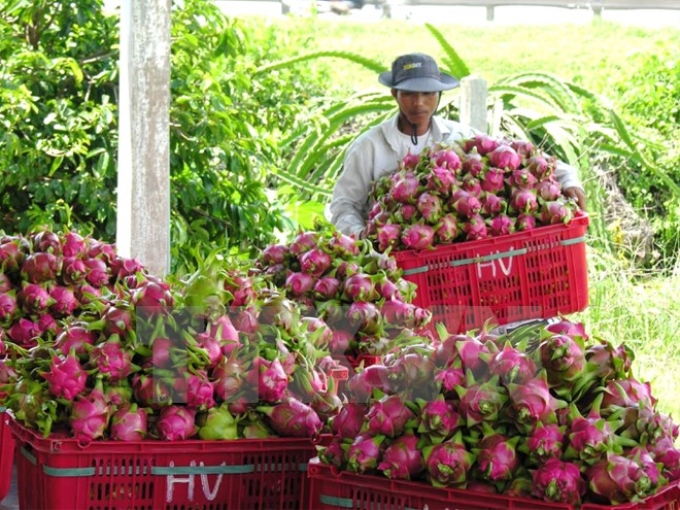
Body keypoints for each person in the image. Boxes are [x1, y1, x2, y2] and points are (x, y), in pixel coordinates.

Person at [327, 52, 587, 239]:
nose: (419, 103)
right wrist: (360, 235)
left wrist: (568, 178)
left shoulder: (461, 137)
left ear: (439, 96)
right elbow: (343, 204)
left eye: (428, 94)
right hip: (393, 257)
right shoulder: (368, 147)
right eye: (409, 94)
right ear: (394, 94)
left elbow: (518, 156)